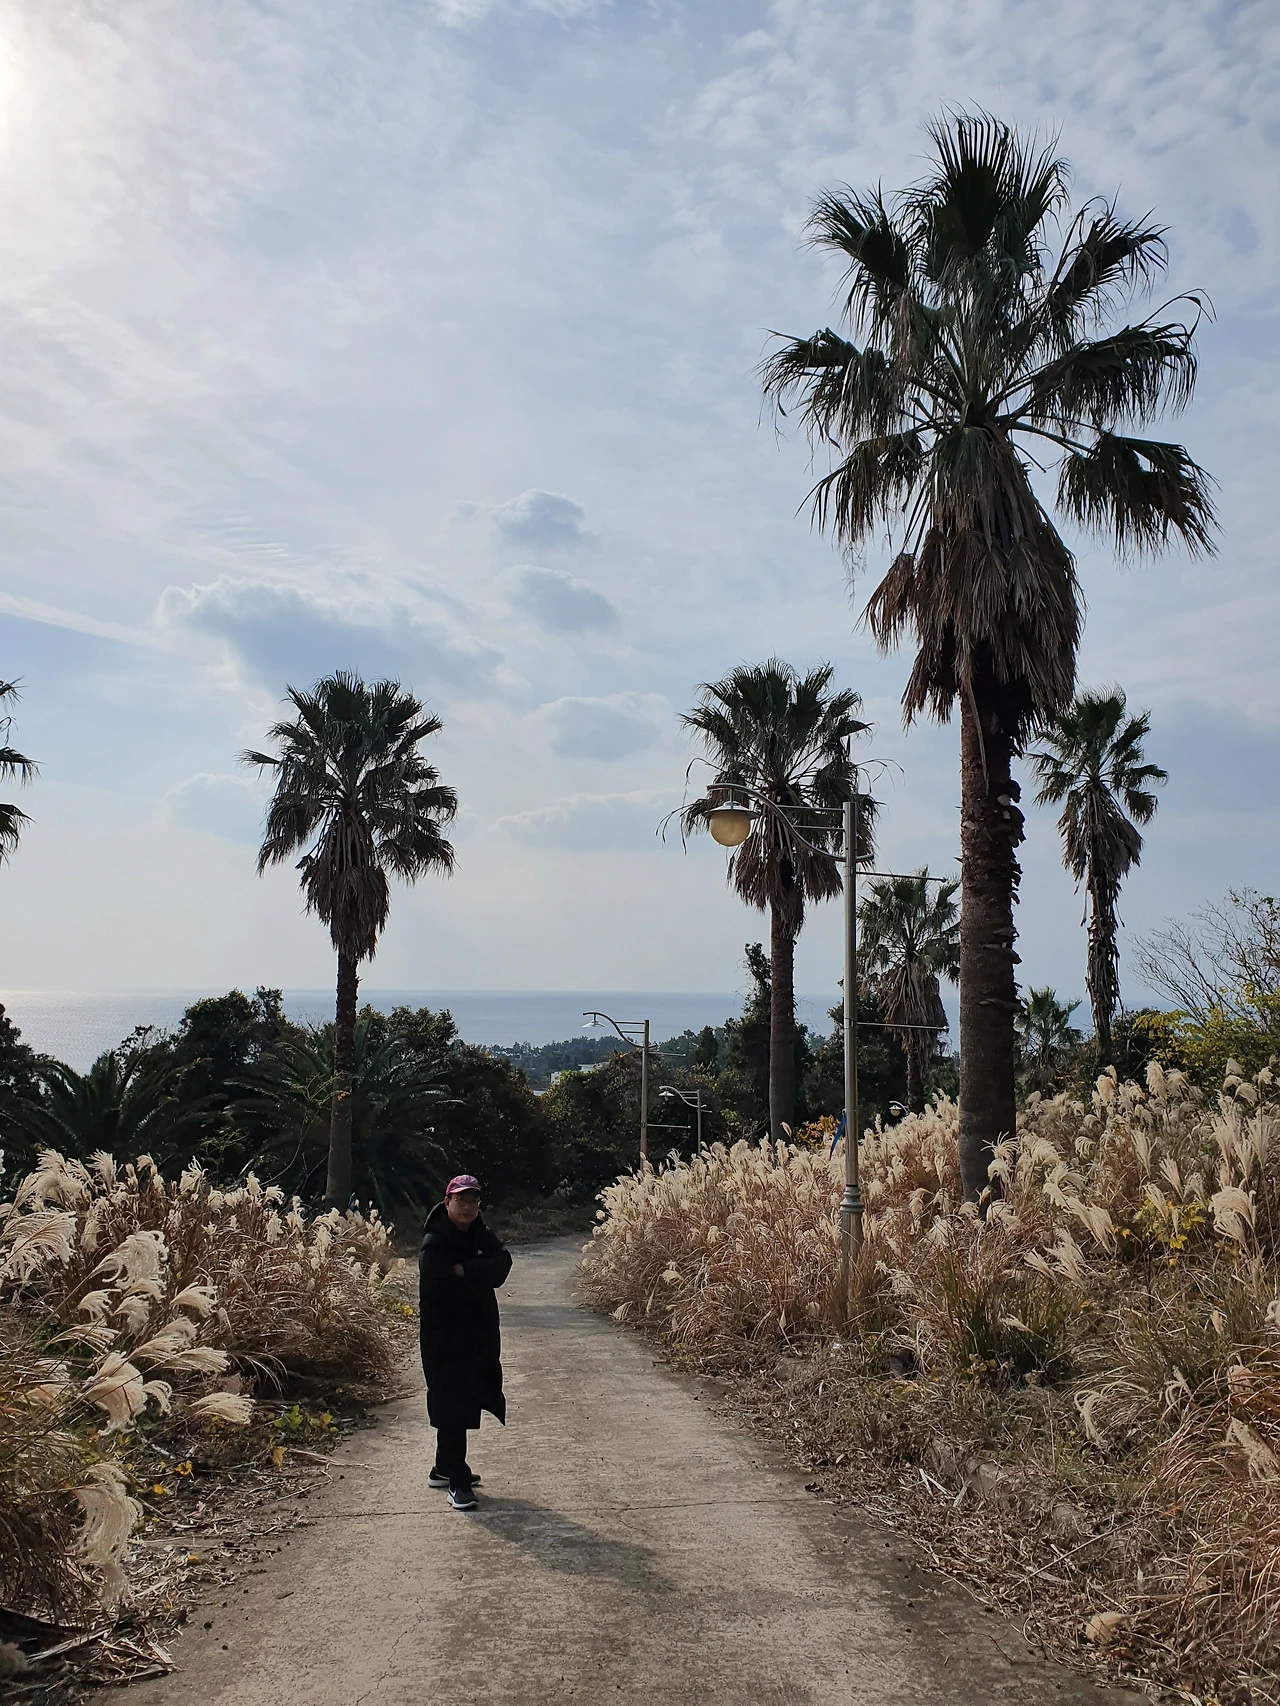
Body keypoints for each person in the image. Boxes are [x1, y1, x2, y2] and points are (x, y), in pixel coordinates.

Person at [418, 1174, 512, 1511]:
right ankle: (457, 1481)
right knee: (452, 1405)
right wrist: (475, 1272)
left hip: (476, 1335)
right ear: (447, 1202)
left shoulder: (481, 1233)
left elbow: (502, 1265)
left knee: (463, 1400)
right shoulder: (435, 1241)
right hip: (444, 1339)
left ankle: (442, 1468)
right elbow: (439, 1279)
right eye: (461, 1200)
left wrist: (465, 1270)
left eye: (473, 1200)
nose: (468, 1207)